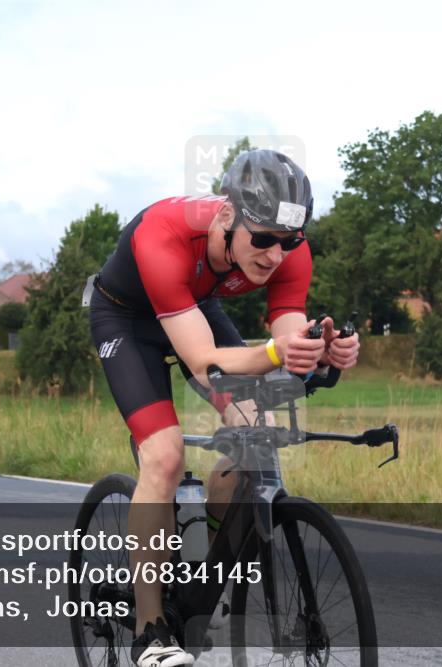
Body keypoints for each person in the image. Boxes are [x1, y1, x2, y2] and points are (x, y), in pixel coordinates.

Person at [88, 149, 360, 667]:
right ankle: (151, 626)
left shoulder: (283, 249)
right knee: (164, 457)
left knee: (257, 430)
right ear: (227, 216)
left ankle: (205, 568)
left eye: (289, 242)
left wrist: (319, 350)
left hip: (195, 306)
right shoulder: (163, 237)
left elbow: (286, 332)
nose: (275, 255)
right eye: (262, 240)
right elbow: (203, 360)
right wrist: (278, 354)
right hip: (127, 320)